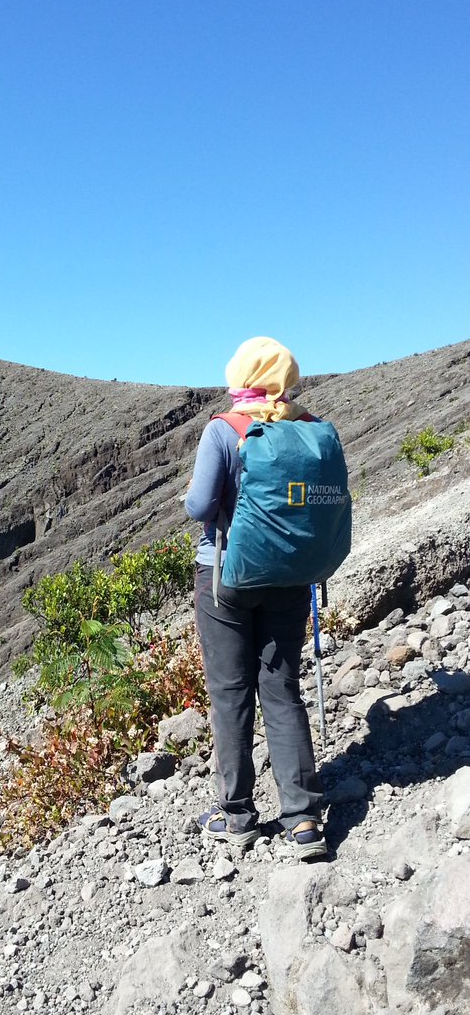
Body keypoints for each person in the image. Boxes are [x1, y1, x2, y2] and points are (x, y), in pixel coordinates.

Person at [185, 335, 326, 860]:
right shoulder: (309, 428)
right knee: (282, 689)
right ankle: (304, 820)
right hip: (291, 577)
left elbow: (200, 505)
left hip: (226, 578)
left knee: (230, 691)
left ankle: (237, 815)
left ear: (241, 377)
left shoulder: (225, 429)